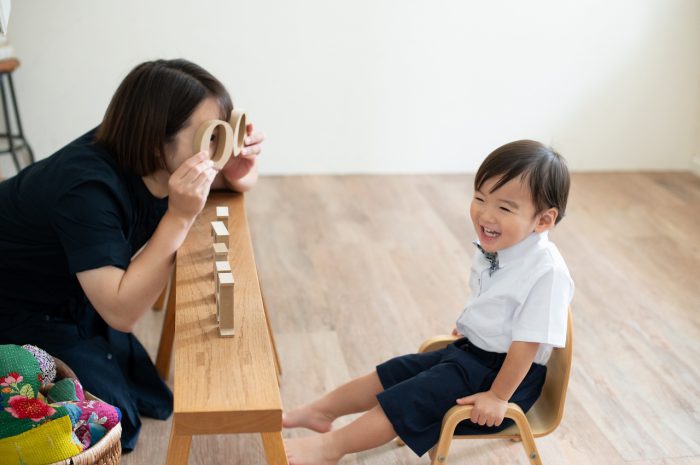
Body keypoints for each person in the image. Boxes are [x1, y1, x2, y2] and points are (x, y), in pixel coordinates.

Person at [0, 59, 264, 450]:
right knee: (112, 427)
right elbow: (122, 313)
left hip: (76, 290)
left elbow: (234, 182)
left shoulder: (151, 157)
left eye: (224, 132)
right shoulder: (87, 189)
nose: (217, 151)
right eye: (211, 136)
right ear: (158, 140)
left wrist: (239, 168)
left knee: (150, 397)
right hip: (18, 304)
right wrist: (178, 217)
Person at [283, 140, 575, 465]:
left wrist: (497, 396)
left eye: (504, 208)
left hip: (504, 377)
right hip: (473, 353)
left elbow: (527, 344)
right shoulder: (501, 244)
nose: (485, 214)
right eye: (479, 198)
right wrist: (474, 327)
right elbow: (494, 298)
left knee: (409, 398)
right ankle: (320, 411)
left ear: (543, 221)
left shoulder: (547, 271)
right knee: (394, 372)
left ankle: (329, 449)